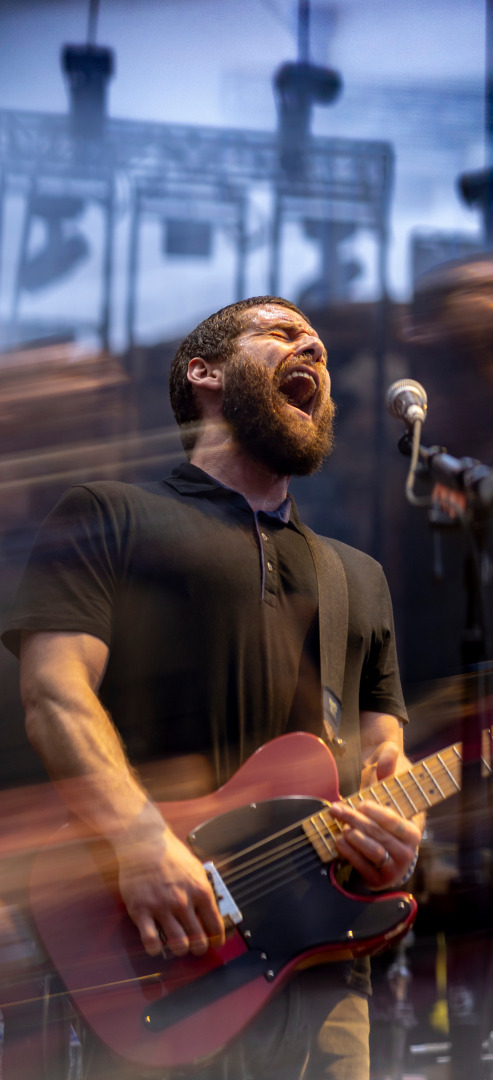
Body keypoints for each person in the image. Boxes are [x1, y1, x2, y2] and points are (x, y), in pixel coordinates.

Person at [2, 295, 423, 1079]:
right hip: (159, 946)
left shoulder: (357, 578)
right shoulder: (108, 516)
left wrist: (398, 844)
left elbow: (385, 762)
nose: (314, 350)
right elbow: (54, 698)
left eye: (320, 345)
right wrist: (138, 841)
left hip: (323, 975)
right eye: (283, 332)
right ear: (205, 374)